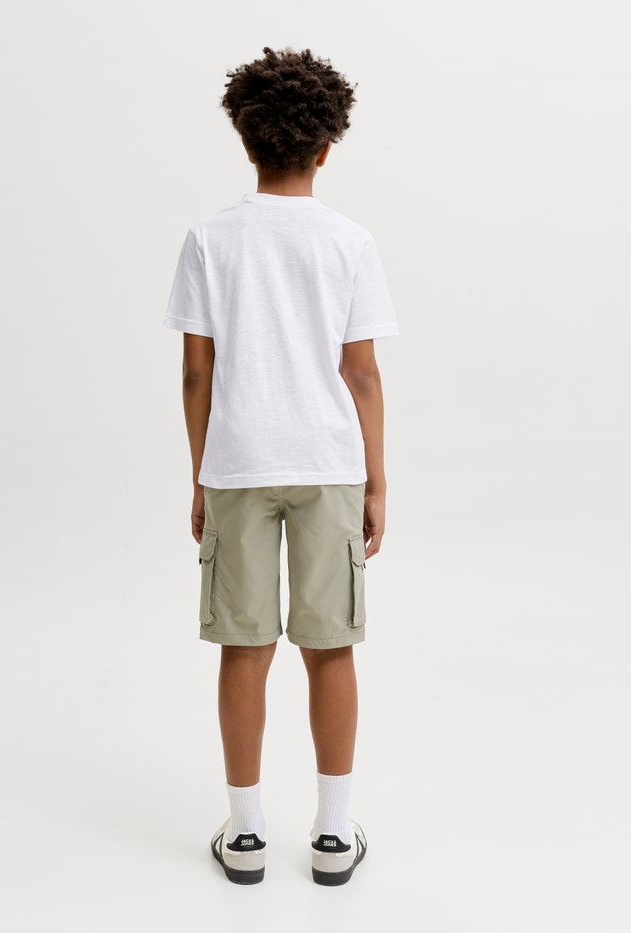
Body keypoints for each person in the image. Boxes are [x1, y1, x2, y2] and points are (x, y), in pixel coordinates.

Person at [163, 46, 399, 886]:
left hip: (238, 464)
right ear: (327, 148)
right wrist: (376, 481)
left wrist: (202, 472)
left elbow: (197, 373)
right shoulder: (350, 242)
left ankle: (248, 831)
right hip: (329, 464)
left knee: (244, 645)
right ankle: (333, 834)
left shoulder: (209, 238)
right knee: (330, 647)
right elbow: (361, 373)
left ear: (244, 137)